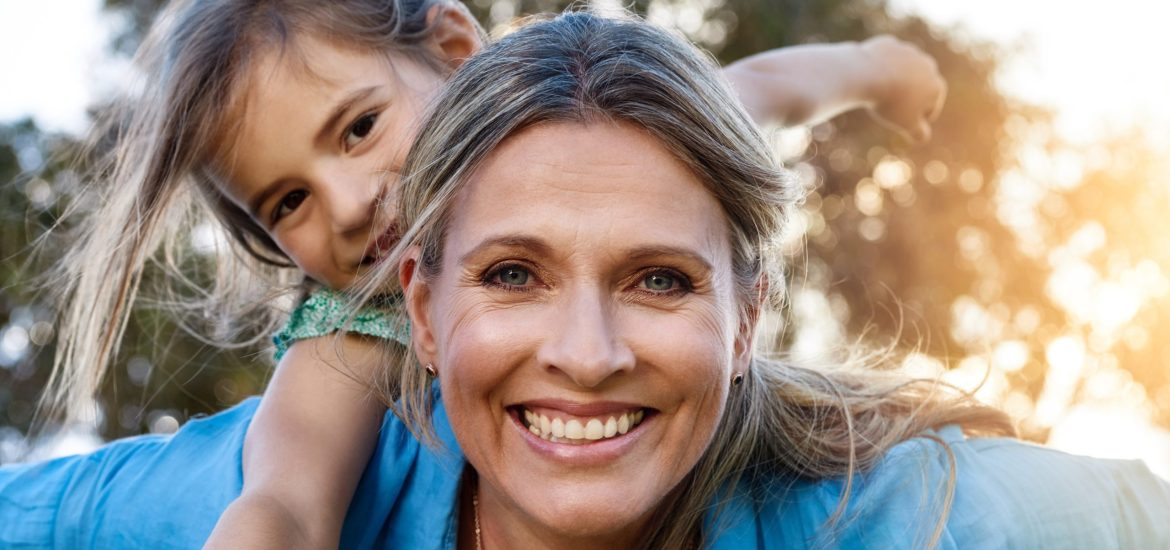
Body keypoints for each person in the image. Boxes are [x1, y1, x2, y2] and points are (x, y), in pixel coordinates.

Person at [2, 8, 1168, 548]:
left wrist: (876, 66)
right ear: (419, 299)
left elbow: (762, 87)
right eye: (288, 202)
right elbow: (285, 505)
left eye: (358, 128)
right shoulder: (348, 327)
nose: (352, 202)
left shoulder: (613, 118)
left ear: (453, 53)